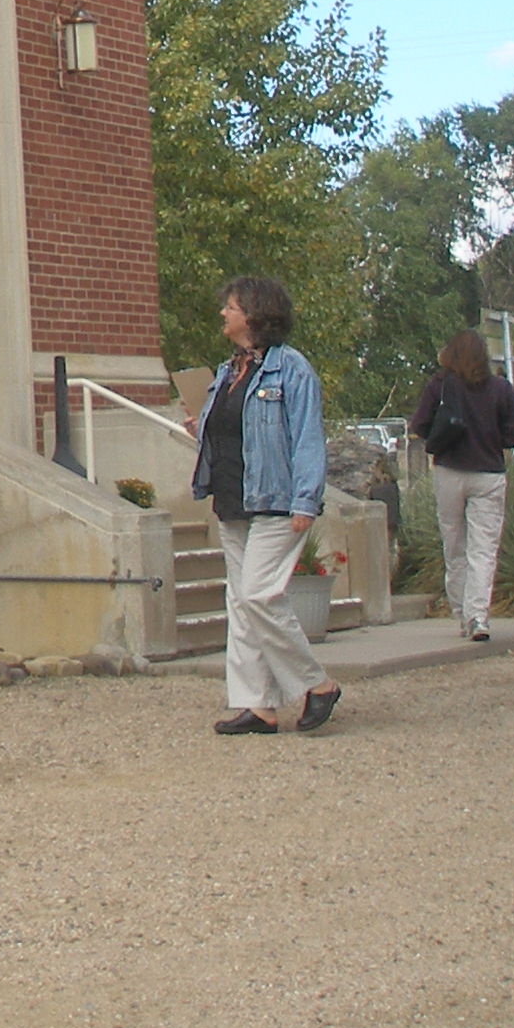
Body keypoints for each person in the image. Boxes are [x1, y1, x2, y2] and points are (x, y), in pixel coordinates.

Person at [187, 274, 339, 736]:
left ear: (253, 313)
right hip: (232, 498)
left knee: (259, 594)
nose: (223, 314)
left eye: (230, 307)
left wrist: (306, 501)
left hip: (275, 501)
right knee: (241, 601)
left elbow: (308, 437)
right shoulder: (225, 372)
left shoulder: (291, 369)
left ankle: (317, 684)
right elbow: (231, 431)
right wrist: (200, 428)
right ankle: (258, 705)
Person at [409, 327, 514, 640]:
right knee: (483, 550)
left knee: (454, 546)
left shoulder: (439, 385)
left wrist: (442, 435)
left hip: (448, 472)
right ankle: (478, 618)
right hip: (488, 474)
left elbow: (419, 425)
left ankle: (461, 614)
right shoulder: (501, 389)